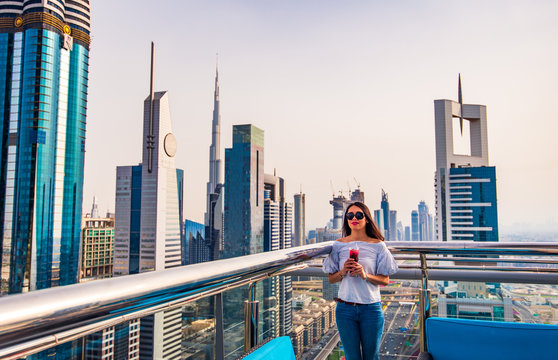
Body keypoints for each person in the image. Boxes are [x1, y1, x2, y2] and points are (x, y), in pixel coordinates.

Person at [323, 201, 398, 360]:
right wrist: (343, 271)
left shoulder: (378, 246)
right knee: (352, 357)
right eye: (350, 215)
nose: (354, 218)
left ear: (367, 219)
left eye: (359, 215)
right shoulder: (338, 245)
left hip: (371, 309)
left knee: (371, 357)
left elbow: (385, 280)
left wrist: (365, 275)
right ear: (346, 220)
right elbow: (331, 279)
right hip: (345, 309)